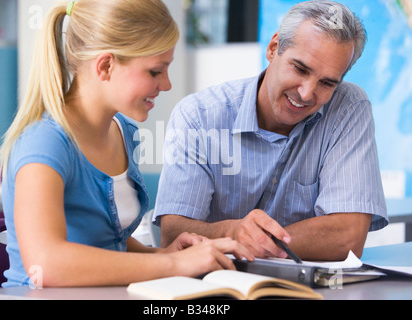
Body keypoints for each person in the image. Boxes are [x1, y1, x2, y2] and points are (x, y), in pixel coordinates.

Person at [0, 0, 253, 288]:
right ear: (105, 66)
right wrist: (171, 264)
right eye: (156, 71)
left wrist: (162, 254)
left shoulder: (123, 132)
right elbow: (45, 264)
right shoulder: (45, 142)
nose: (166, 84)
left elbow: (103, 241)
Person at [154, 0, 389, 261]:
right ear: (273, 47)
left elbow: (347, 237)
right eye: (300, 68)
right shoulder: (198, 115)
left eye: (327, 82)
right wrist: (234, 231)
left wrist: (251, 241)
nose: (306, 93)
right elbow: (174, 234)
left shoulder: (347, 107)